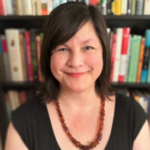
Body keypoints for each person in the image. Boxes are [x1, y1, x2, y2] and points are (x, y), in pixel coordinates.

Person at [5, 2, 150, 150]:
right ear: (48, 56)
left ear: (104, 52)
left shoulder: (133, 115)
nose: (75, 62)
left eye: (88, 47)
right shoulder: (23, 122)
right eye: (62, 48)